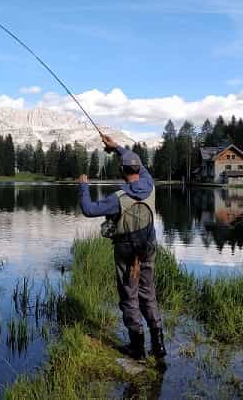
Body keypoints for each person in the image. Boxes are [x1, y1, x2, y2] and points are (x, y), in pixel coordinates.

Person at [77, 134, 166, 360]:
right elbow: (136, 162)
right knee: (148, 294)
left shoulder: (117, 198)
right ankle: (159, 345)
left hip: (127, 251)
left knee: (130, 295)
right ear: (137, 168)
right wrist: (116, 147)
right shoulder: (149, 183)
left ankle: (137, 348)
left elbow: (88, 209)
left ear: (123, 171)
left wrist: (83, 187)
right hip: (148, 248)